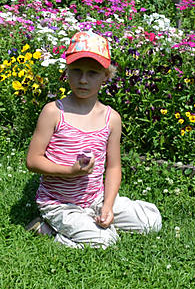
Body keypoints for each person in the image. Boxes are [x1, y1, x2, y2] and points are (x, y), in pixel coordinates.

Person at [24, 31, 162, 248]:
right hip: (60, 203)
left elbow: (114, 167)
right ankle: (46, 229)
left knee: (152, 221)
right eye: (76, 71)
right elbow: (33, 161)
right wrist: (71, 171)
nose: (83, 80)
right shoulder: (53, 112)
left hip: (95, 200)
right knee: (105, 240)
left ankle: (91, 221)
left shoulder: (111, 119)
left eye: (93, 73)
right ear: (67, 72)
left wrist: (107, 206)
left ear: (106, 76)